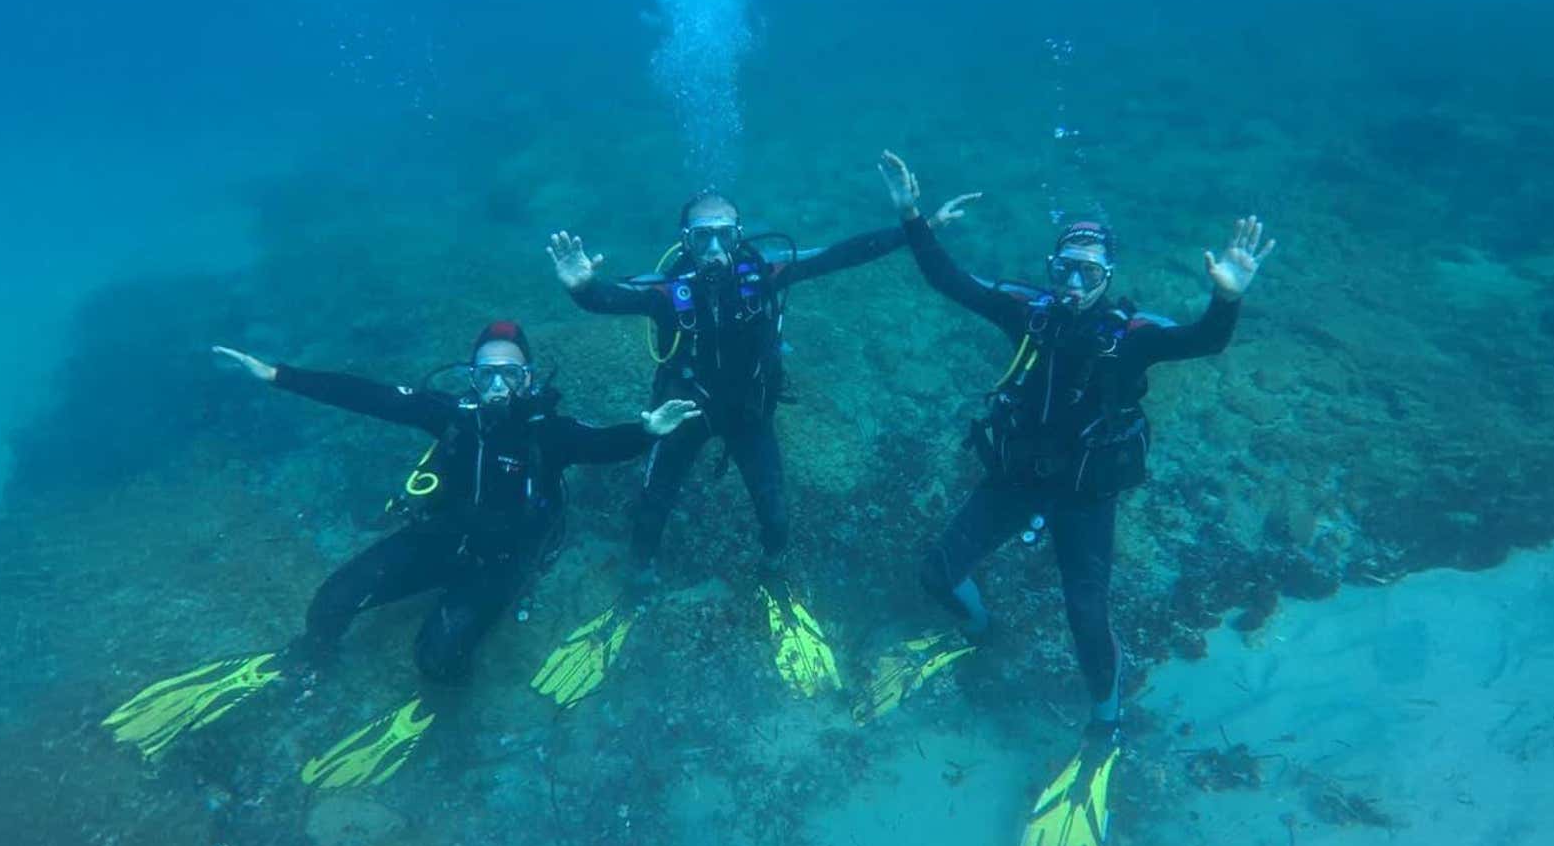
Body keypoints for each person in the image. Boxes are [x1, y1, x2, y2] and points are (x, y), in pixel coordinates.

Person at [874, 150, 1275, 846]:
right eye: (1064, 267)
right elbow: (948, 281)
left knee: (1086, 617)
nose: (1072, 284)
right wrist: (911, 216)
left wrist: (1226, 297)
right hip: (1014, 479)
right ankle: (977, 625)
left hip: (1087, 499)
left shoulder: (1133, 333)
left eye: (1089, 271)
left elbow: (1202, 340)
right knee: (936, 573)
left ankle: (1105, 724)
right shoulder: (1028, 311)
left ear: (1110, 274)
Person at [101, 320, 699, 788]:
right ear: (470, 377)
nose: (497, 388)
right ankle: (309, 659)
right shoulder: (451, 416)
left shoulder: (550, 431)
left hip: (502, 561)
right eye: (485, 375)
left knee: (437, 657)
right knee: (331, 600)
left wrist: (648, 431)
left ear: (530, 379)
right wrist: (278, 375)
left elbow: (601, 444)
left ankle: (439, 707)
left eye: (510, 376)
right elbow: (368, 396)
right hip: (442, 540)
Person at [541, 186, 970, 698]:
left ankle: (773, 571)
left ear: (740, 234)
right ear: (686, 241)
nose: (716, 248)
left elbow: (840, 255)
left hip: (749, 415)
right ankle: (639, 578)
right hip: (684, 412)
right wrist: (581, 287)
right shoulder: (668, 290)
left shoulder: (766, 271)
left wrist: (915, 228)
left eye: (725, 234)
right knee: (651, 505)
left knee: (774, 512)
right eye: (703, 237)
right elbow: (611, 297)